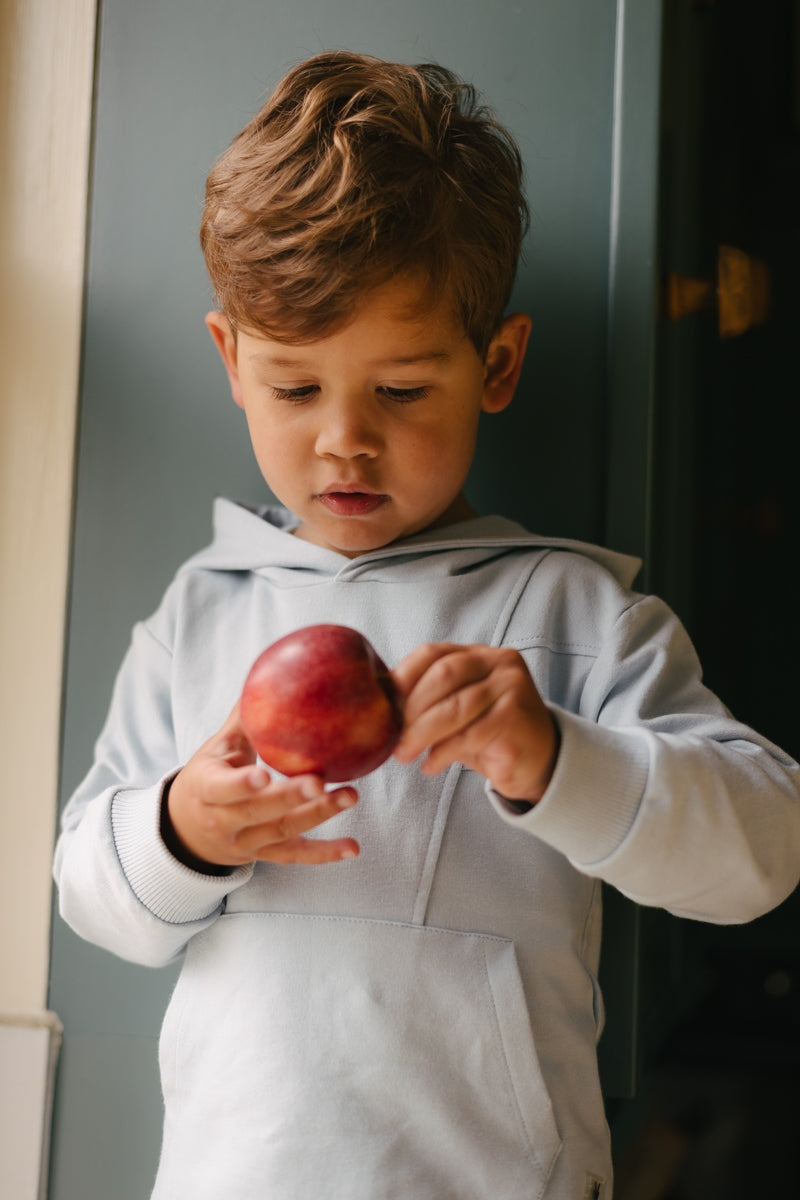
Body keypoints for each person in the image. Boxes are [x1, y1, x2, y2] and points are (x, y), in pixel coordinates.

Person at [53, 50, 800, 1200]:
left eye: (399, 390)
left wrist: (554, 757)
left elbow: (762, 852)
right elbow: (89, 891)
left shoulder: (574, 613)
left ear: (494, 364)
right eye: (297, 389)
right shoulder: (200, 611)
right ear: (231, 363)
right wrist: (181, 826)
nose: (343, 441)